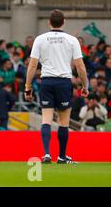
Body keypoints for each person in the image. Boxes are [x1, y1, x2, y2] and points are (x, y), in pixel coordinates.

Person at [25, 9, 89, 164]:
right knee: (63, 121)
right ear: (64, 22)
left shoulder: (40, 39)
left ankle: (47, 154)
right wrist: (85, 86)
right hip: (64, 82)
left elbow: (32, 65)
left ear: (49, 22)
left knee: (46, 119)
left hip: (46, 81)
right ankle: (61, 156)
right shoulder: (72, 40)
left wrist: (28, 87)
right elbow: (80, 66)